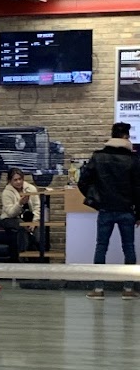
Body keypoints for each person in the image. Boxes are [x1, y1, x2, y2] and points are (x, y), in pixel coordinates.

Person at [78, 121, 140, 300]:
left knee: (101, 247)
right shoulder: (133, 159)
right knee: (128, 247)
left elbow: (83, 181)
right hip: (127, 210)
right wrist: (139, 213)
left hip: (105, 210)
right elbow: (138, 188)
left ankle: (98, 289)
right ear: (126, 137)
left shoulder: (98, 157)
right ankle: (128, 289)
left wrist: (95, 199)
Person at [0, 168, 41, 262]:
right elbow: (10, 213)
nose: (18, 182)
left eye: (20, 179)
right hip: (9, 219)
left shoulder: (31, 189)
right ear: (10, 181)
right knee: (22, 226)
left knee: (38, 233)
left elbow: (37, 207)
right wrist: (20, 204)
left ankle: (39, 261)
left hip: (28, 218)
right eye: (15, 180)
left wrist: (35, 221)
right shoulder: (6, 193)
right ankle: (22, 258)